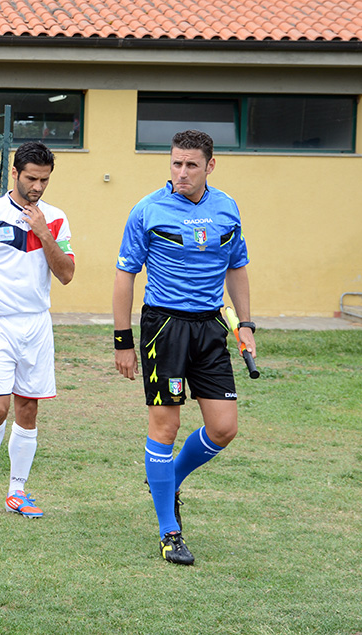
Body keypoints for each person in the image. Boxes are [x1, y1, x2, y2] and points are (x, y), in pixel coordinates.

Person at [113, 129, 255, 566]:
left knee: (224, 428)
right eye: (176, 163)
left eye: (191, 165)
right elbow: (125, 277)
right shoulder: (147, 209)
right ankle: (168, 531)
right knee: (165, 428)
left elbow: (238, 268)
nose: (182, 172)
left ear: (210, 166)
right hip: (164, 328)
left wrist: (246, 324)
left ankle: (168, 478)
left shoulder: (226, 208)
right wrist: (123, 341)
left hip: (211, 328)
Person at [0, 141, 75, 519]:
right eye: (31, 178)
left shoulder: (55, 218)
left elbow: (67, 274)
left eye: (44, 180)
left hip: (37, 324)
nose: (38, 187)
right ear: (14, 173)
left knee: (28, 408)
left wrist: (43, 233)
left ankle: (18, 491)